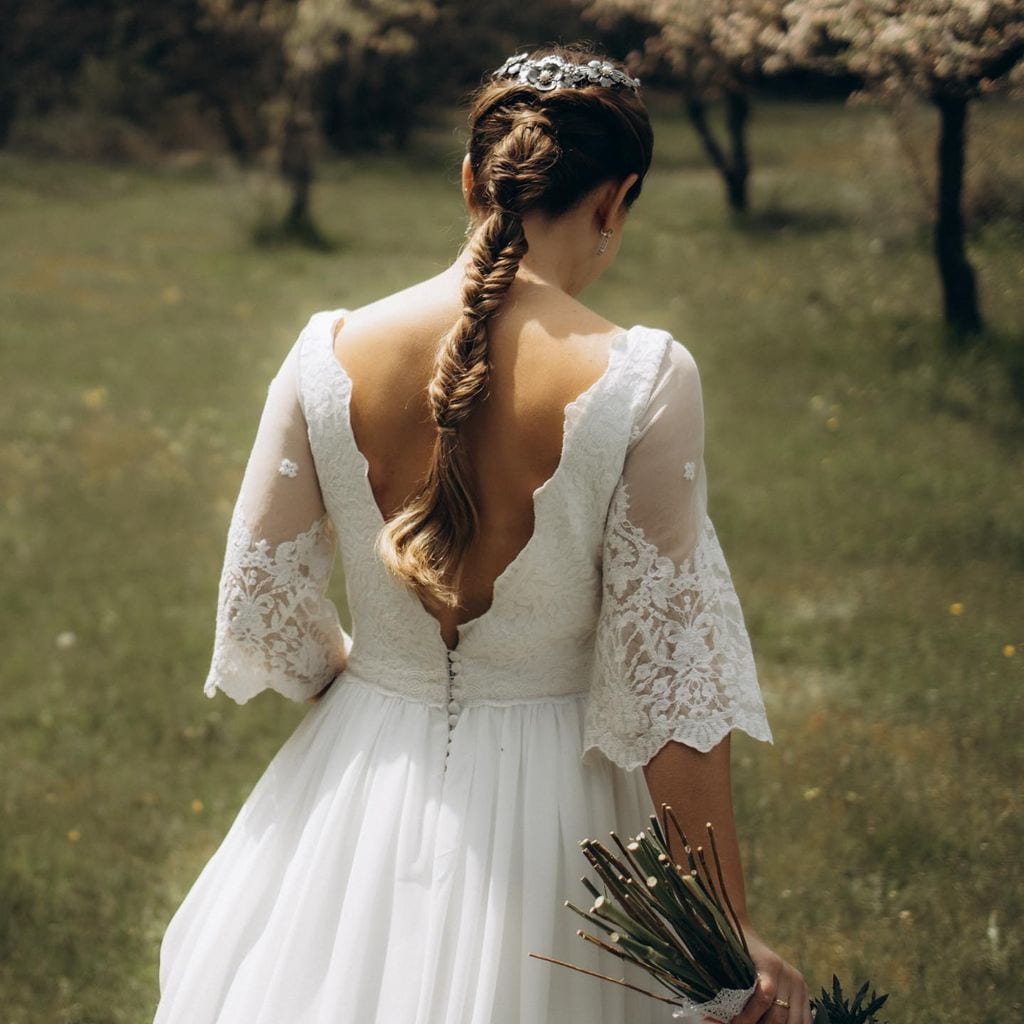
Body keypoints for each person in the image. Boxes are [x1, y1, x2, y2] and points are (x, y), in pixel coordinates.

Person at [153, 45, 810, 1024]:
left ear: (471, 179)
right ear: (615, 199)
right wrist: (721, 930)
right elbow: (673, 691)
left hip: (362, 767)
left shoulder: (323, 351)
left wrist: (370, 683)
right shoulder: (641, 378)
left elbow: (264, 607)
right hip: (569, 817)